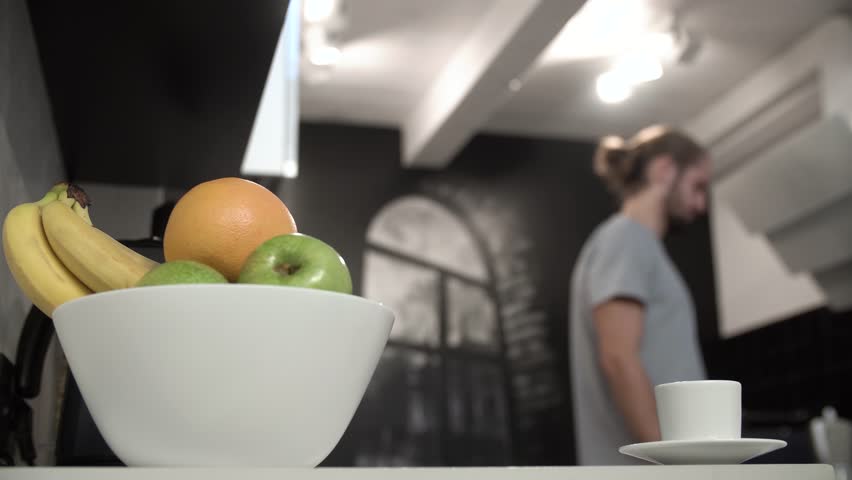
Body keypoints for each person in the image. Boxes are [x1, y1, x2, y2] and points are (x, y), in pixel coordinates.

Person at [569, 125, 711, 465]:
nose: (701, 204)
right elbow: (618, 358)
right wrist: (677, 464)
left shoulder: (634, 245)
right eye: (698, 186)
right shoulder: (627, 240)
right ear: (665, 170)